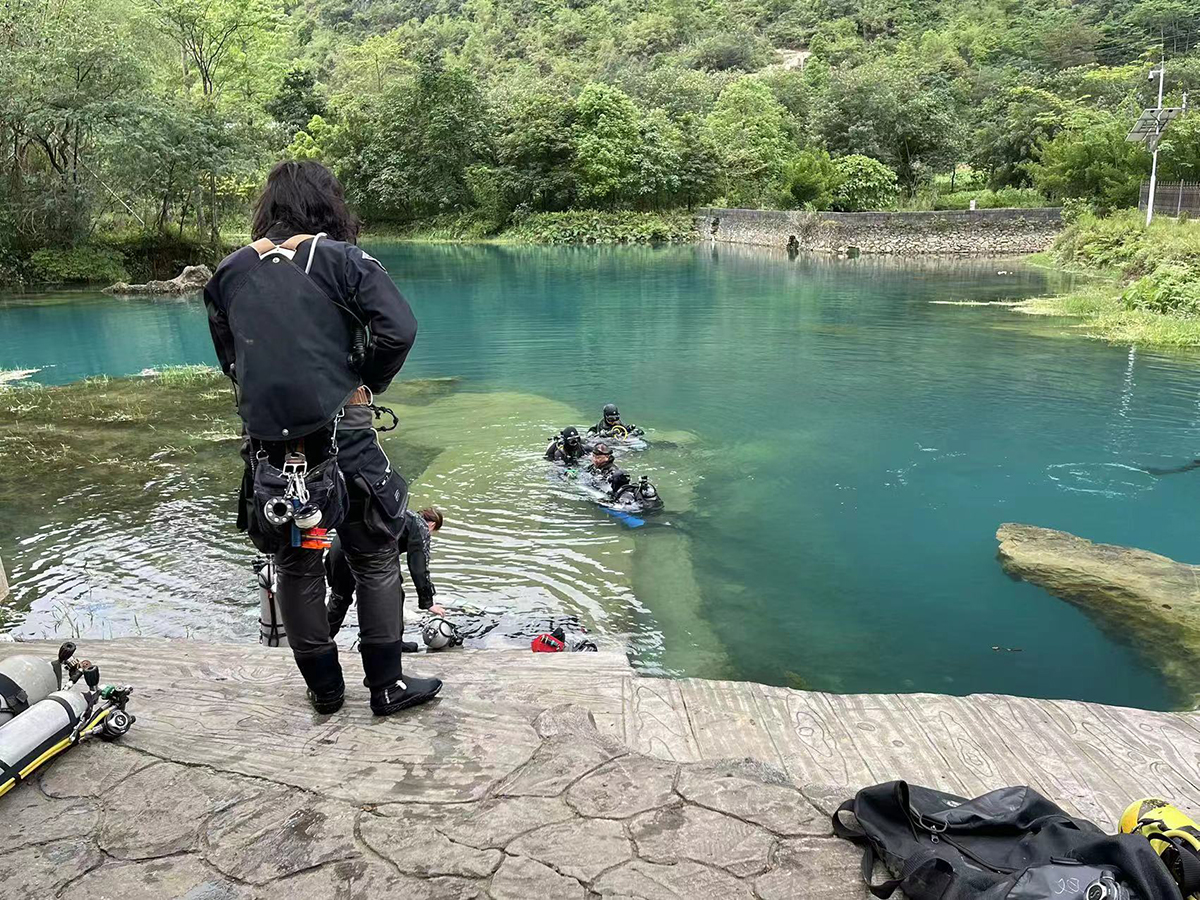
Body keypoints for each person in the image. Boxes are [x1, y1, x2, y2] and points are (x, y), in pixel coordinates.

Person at [204, 160, 442, 717]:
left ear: (268, 208)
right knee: (376, 554)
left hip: (269, 447)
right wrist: (364, 379)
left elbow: (231, 358)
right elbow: (398, 329)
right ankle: (385, 686)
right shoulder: (343, 260)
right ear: (328, 205)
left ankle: (325, 691)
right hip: (346, 435)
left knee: (293, 560)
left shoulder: (230, 271)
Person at [326, 507, 445, 641]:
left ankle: (321, 640)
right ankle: (391, 641)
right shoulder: (420, 526)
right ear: (432, 525)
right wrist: (428, 602)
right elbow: (419, 567)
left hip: (339, 546)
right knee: (394, 595)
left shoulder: (399, 512)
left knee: (339, 598)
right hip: (366, 555)